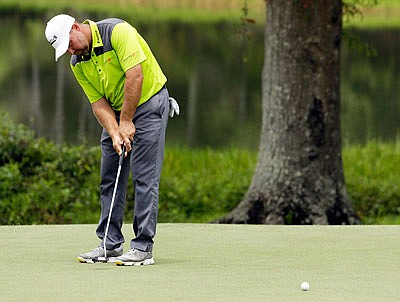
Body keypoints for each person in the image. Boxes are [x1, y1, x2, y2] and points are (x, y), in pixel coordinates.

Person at [45, 14, 179, 266]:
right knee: (110, 175)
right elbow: (98, 103)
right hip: (117, 111)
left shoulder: (118, 31)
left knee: (144, 175)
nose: (70, 51)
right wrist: (115, 131)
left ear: (76, 27)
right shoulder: (77, 63)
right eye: (65, 49)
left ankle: (142, 247)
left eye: (69, 44)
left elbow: (135, 76)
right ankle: (109, 243)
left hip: (149, 101)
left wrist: (126, 122)